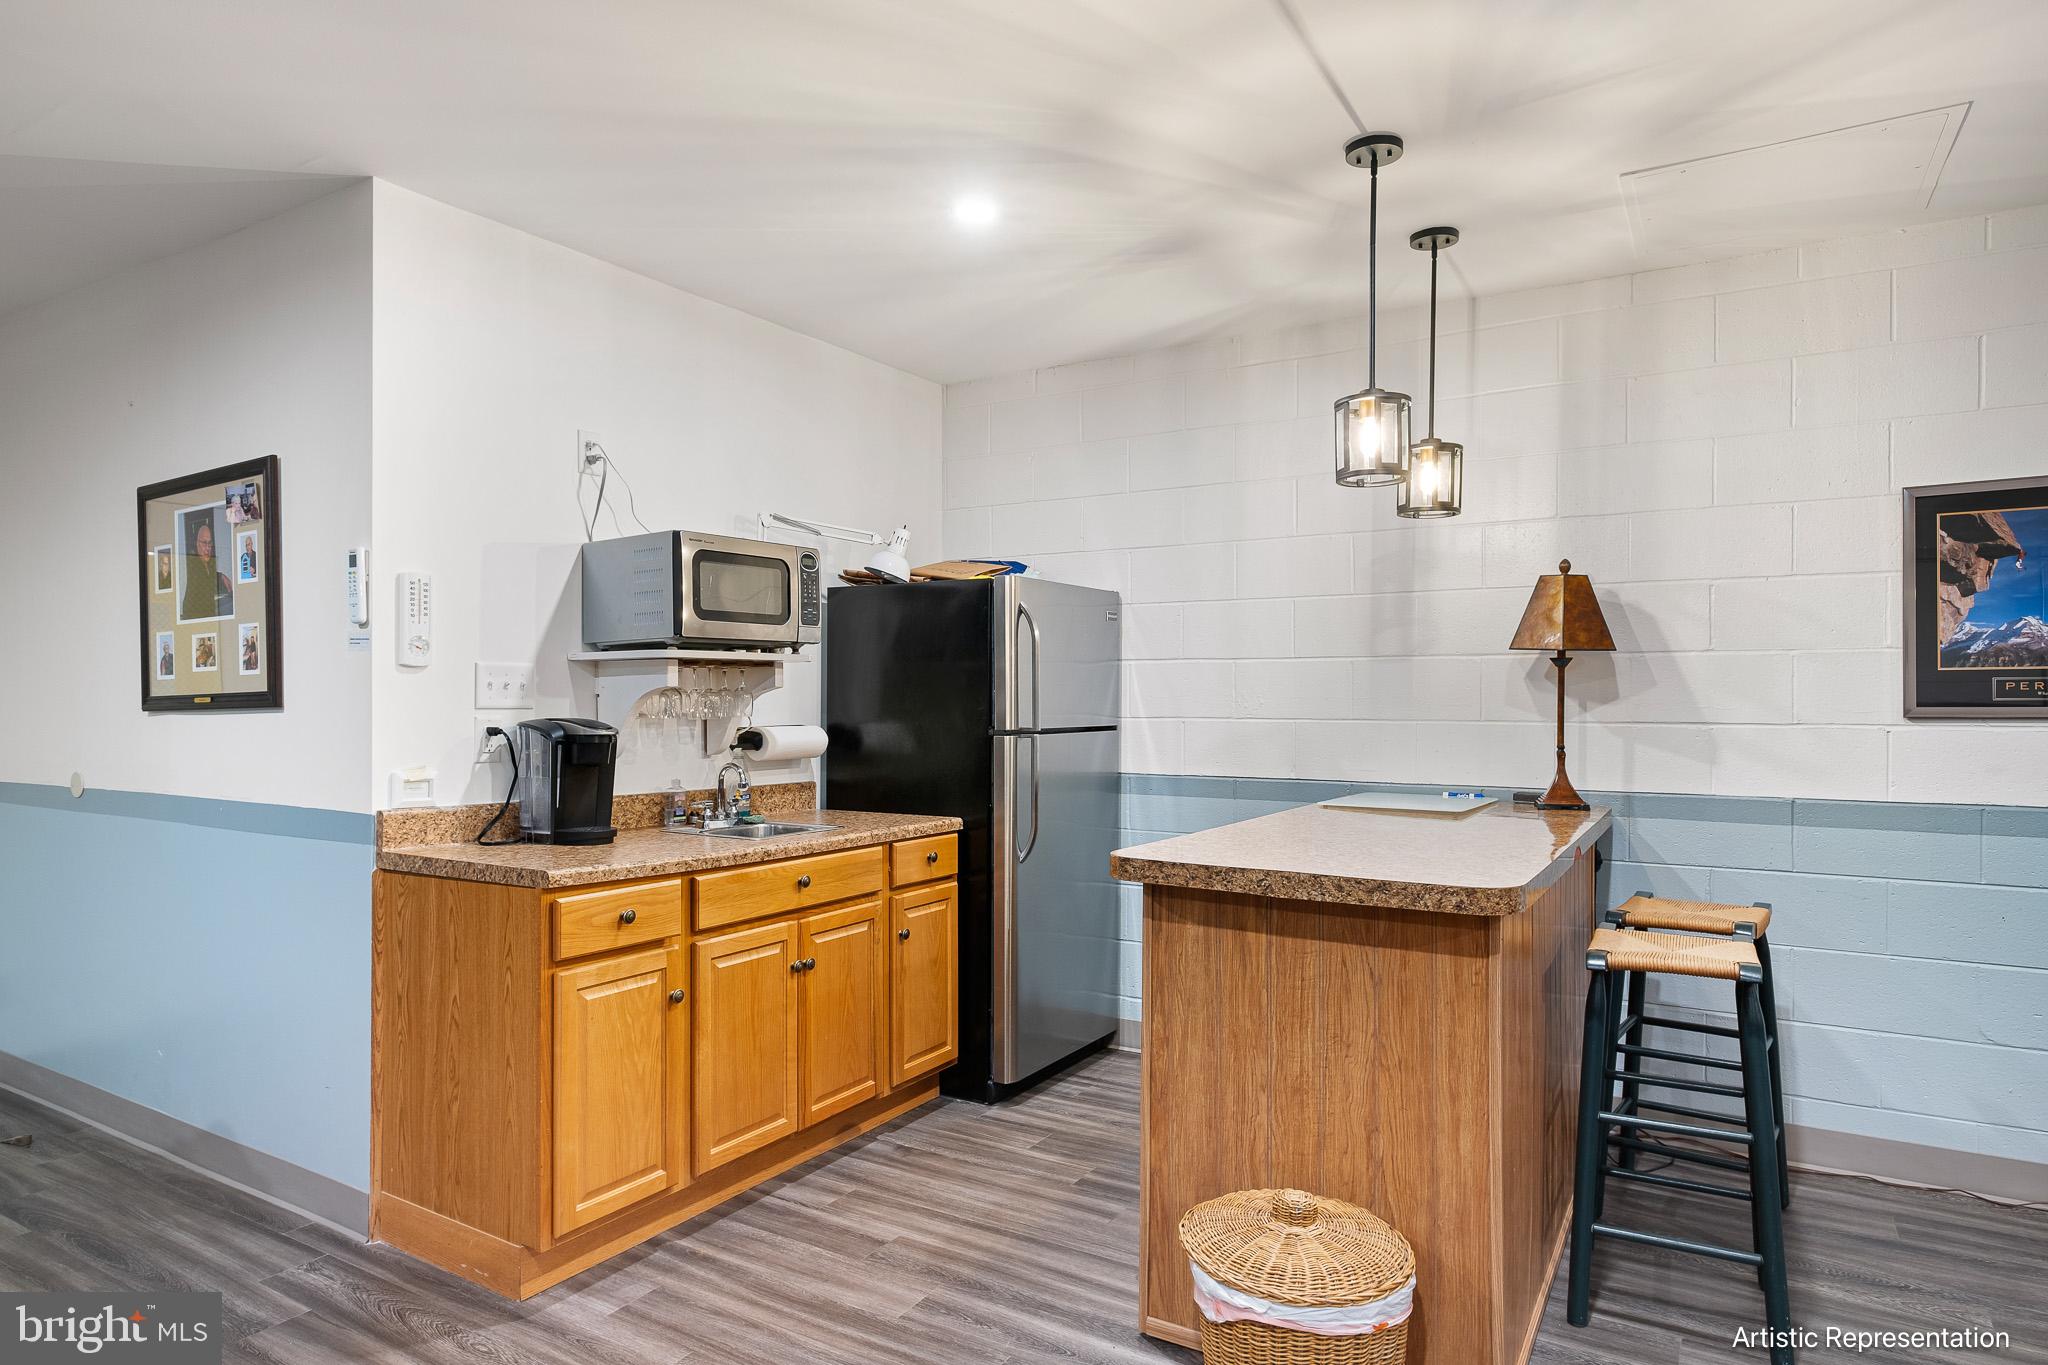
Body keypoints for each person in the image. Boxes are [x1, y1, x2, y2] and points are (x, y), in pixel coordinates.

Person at [181, 515, 234, 619]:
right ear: (197, 543)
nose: (208, 547)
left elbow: (209, 577)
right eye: (204, 543)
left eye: (210, 543)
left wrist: (221, 575)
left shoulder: (208, 563)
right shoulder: (193, 565)